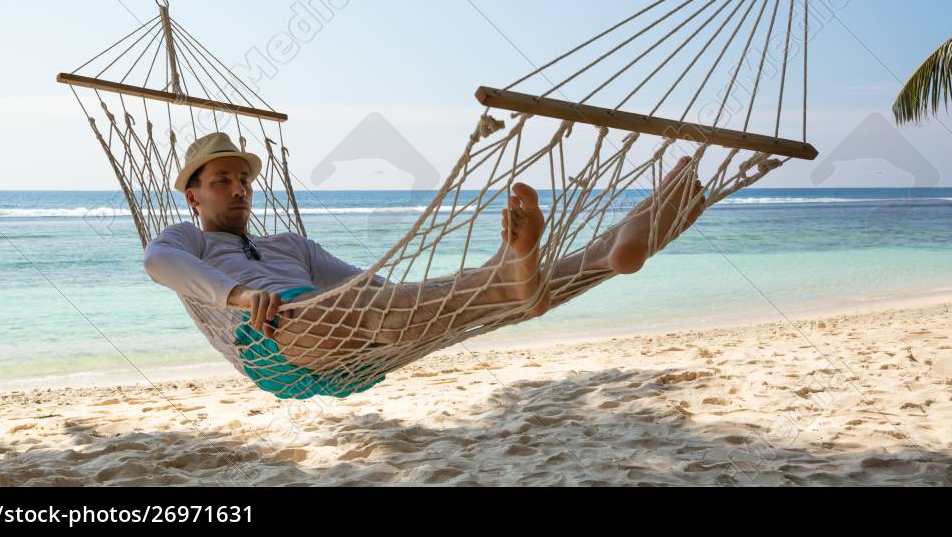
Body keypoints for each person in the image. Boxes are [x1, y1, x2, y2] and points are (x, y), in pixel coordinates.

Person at [144, 131, 704, 397]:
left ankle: (605, 255)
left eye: (244, 180)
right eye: (223, 182)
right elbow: (158, 262)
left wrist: (437, 295)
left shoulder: (293, 245)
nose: (239, 189)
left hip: (348, 328)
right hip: (278, 338)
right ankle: (521, 271)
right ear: (194, 196)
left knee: (468, 303)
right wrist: (240, 296)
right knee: (471, 296)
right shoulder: (188, 240)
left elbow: (373, 286)